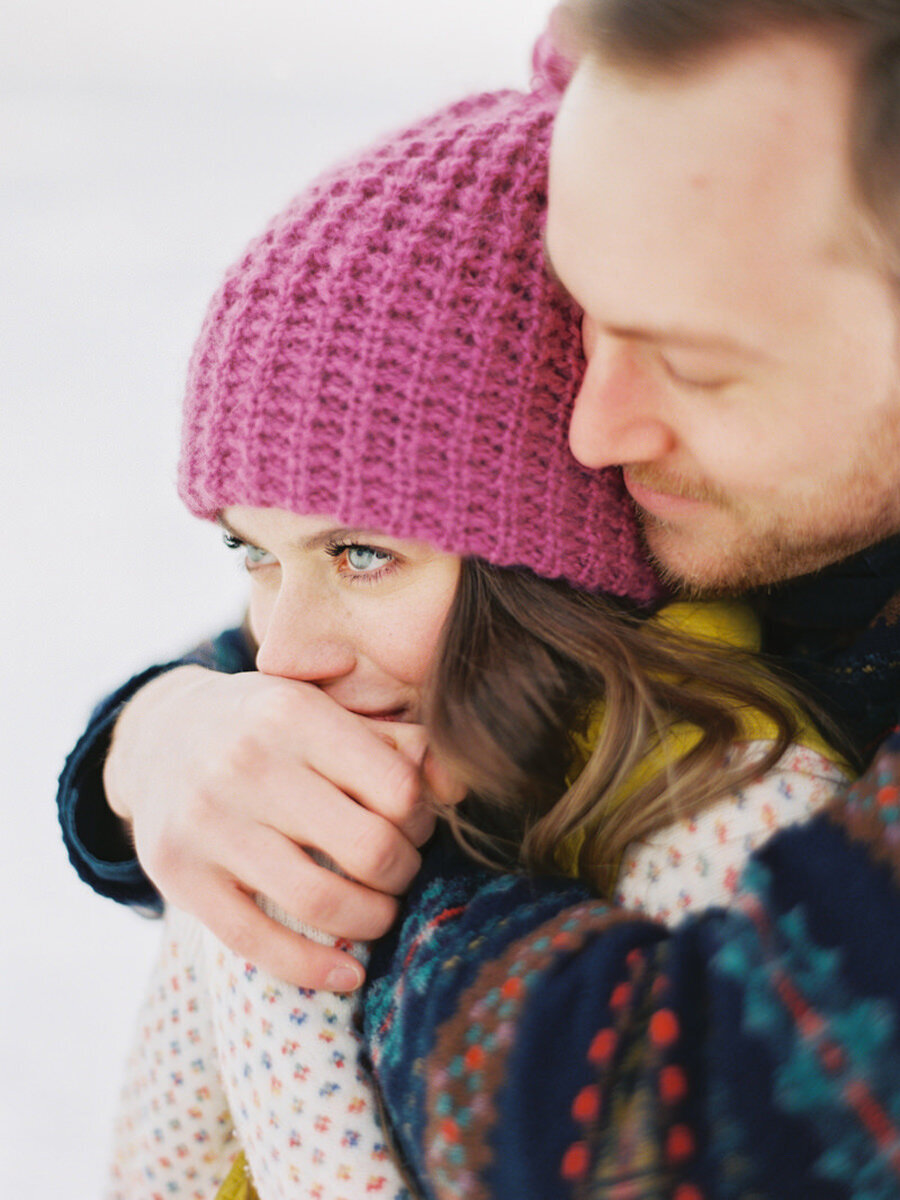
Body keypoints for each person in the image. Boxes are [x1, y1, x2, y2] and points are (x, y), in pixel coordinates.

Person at [57, 2, 900, 1193]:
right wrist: (152, 744)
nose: (592, 433)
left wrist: (372, 858)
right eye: (585, 322)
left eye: (699, 360)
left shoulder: (743, 790)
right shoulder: (716, 508)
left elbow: (712, 1131)